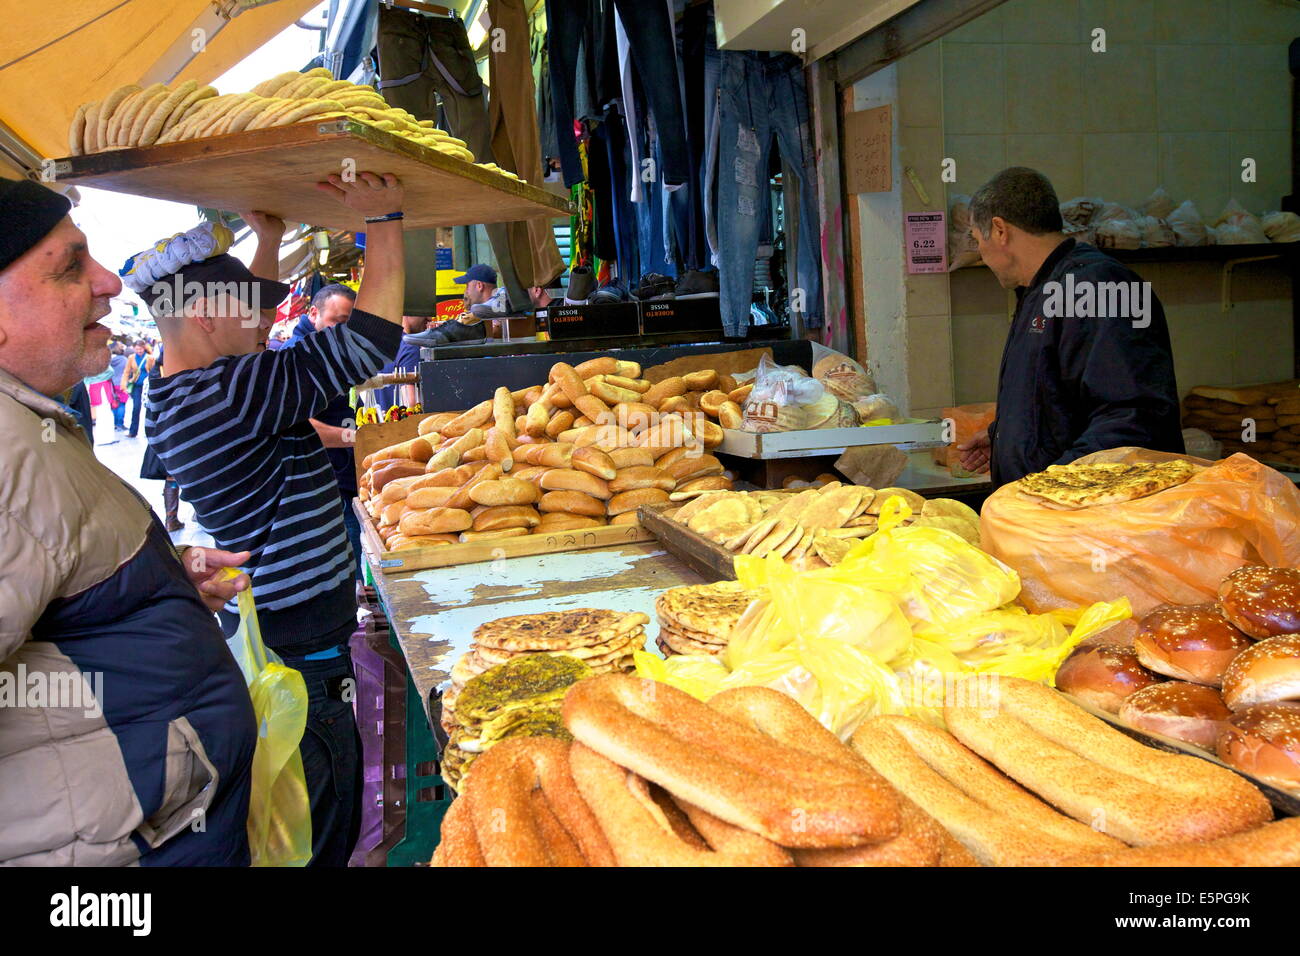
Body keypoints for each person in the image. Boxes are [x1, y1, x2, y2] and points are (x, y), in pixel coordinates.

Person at [128, 172, 406, 866]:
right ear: (203, 316)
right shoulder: (231, 391)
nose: (267, 323)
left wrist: (271, 237)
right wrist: (387, 217)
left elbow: (240, 334)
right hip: (304, 627)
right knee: (327, 797)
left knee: (316, 789)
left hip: (281, 616)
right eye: (249, 308)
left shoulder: (176, 390)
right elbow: (369, 342)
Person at [0, 175, 256, 865]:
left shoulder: (30, 422)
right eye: (70, 267)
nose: (110, 282)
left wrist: (159, 586)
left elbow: (55, 591)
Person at [956, 167, 1183, 486]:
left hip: (1092, 518)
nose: (980, 252)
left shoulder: (1102, 287)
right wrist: (1008, 438)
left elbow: (1132, 420)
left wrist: (1049, 488)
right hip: (1050, 513)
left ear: (1000, 230)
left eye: (977, 240)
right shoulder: (1043, 288)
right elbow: (1058, 395)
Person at [287, 283, 366, 578]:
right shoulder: (298, 356)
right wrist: (356, 438)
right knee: (352, 567)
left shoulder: (326, 349)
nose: (343, 331)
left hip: (344, 474)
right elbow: (300, 426)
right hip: (329, 479)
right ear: (312, 313)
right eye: (338, 322)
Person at [403, 264, 492, 346]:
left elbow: (492, 332)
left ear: (479, 286)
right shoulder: (485, 312)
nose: (465, 292)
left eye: (467, 286)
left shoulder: (493, 312)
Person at [123, 340, 156, 437]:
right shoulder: (131, 358)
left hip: (147, 386)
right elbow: (127, 371)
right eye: (137, 349)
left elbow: (154, 371)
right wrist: (124, 384)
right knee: (136, 407)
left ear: (144, 348)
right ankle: (133, 431)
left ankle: (151, 431)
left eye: (140, 349)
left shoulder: (150, 358)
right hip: (136, 386)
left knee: (150, 407)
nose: (139, 351)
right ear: (134, 348)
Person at [108, 343, 128, 431]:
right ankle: (120, 424)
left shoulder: (109, 360)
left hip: (111, 384)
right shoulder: (124, 360)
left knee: (114, 404)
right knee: (122, 404)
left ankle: (114, 423)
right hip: (122, 383)